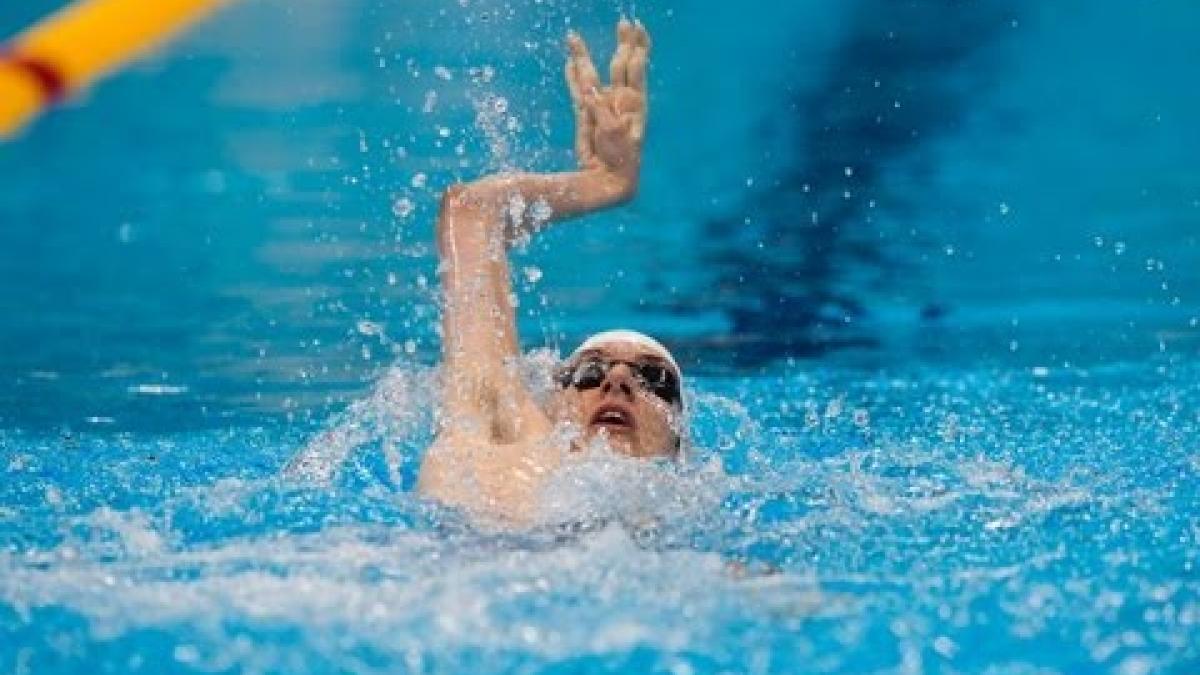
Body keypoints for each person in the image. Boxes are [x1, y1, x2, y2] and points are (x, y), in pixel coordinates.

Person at [417, 19, 685, 523]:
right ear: (551, 403)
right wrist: (605, 183)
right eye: (588, 373)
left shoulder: (690, 531)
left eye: (654, 379)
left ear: (679, 446)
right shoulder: (496, 435)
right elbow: (471, 212)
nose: (619, 381)